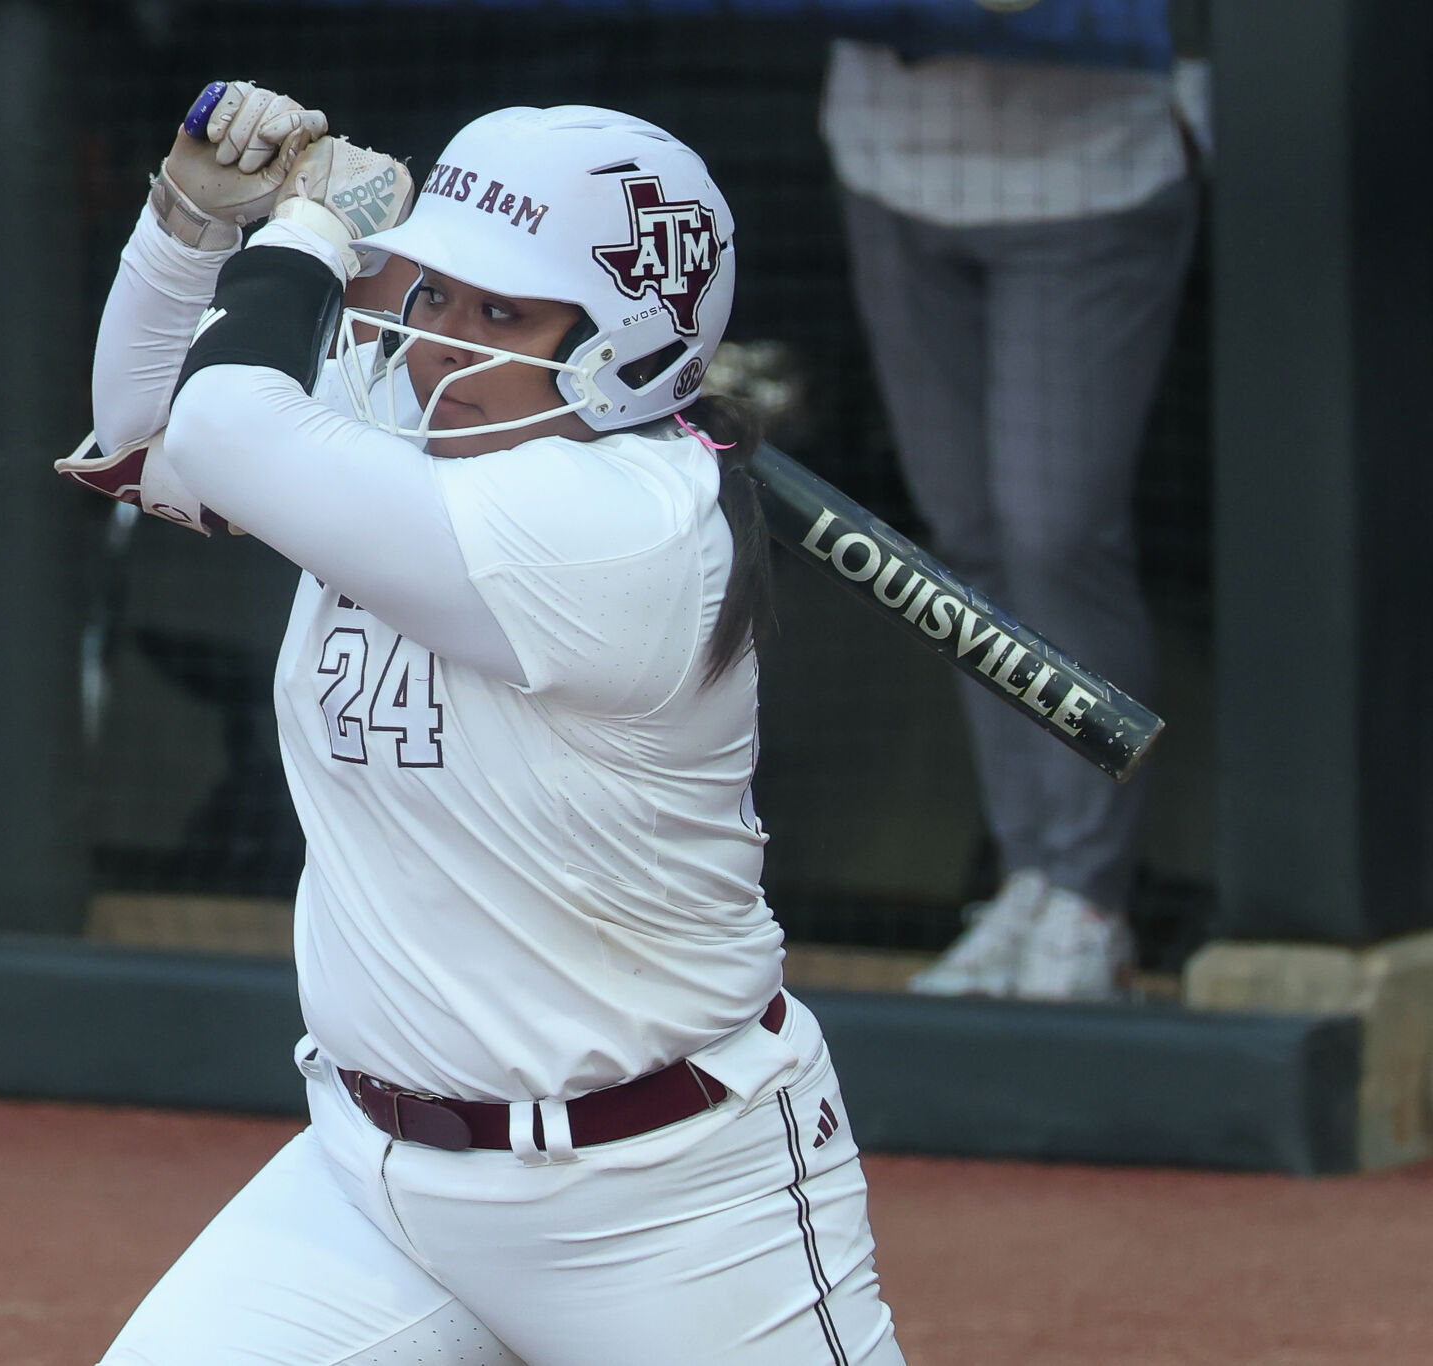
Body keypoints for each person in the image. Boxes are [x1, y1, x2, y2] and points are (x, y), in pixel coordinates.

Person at [62, 81, 904, 1365]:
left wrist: (308, 233)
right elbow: (149, 428)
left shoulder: (621, 527)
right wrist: (190, 222)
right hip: (365, 1181)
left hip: (665, 1205)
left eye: (500, 311)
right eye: (435, 293)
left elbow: (228, 428)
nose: (444, 342)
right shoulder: (416, 409)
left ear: (623, 348)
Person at [820, 42, 1204, 1000]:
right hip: (887, 156)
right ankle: (1029, 876)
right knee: (966, 542)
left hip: (1090, 169)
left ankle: (1089, 899)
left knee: (1054, 534)